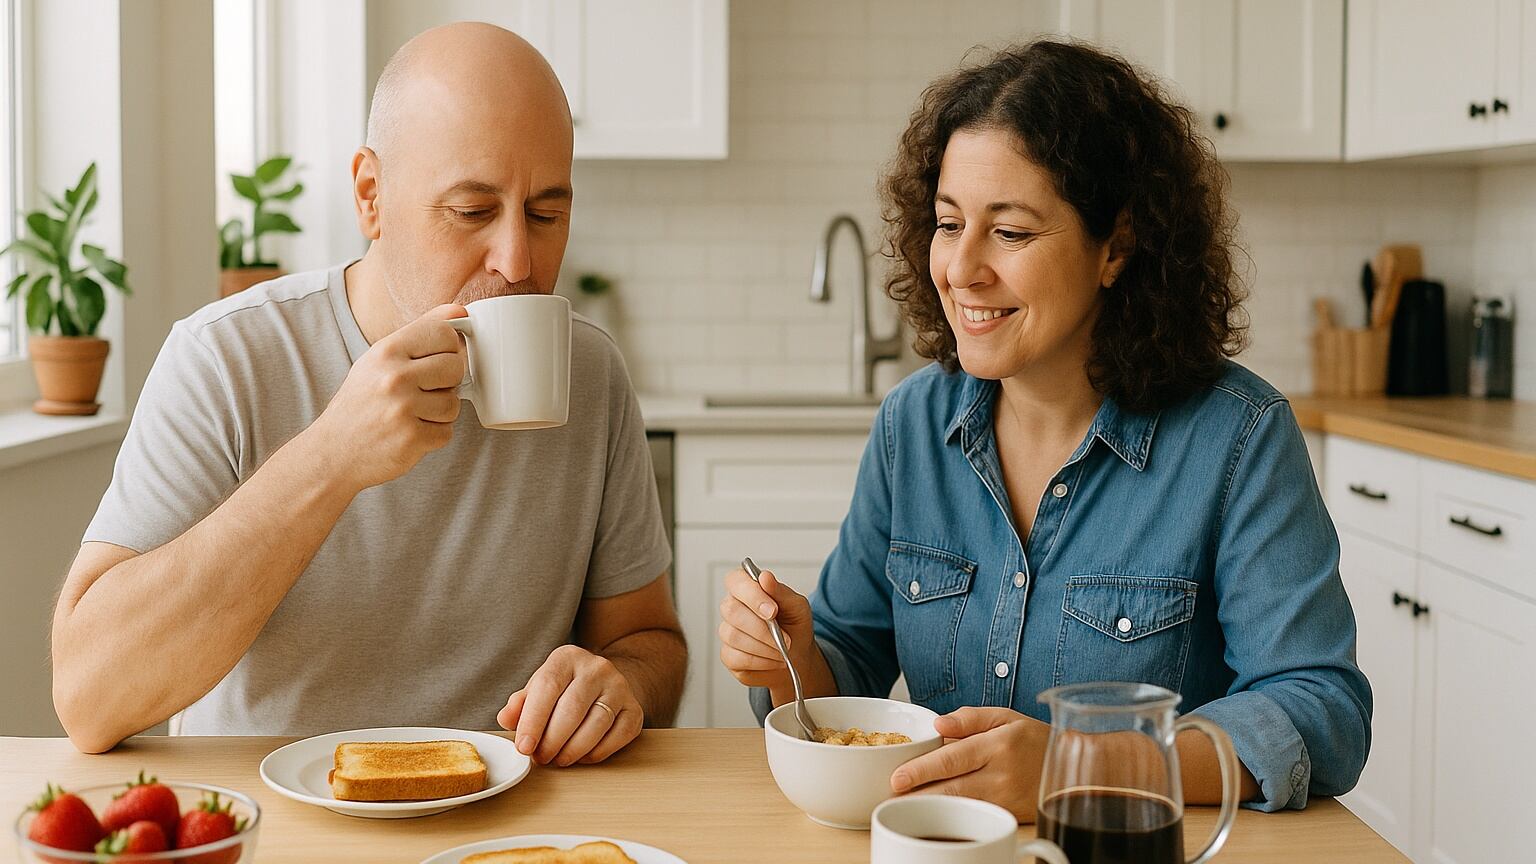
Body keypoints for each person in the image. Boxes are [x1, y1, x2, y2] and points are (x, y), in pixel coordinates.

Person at [718, 39, 1370, 819]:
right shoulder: (912, 424)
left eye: (1011, 233)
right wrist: (790, 656)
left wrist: (1078, 765)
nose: (962, 268)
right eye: (949, 223)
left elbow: (1322, 713)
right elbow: (848, 668)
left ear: (1116, 247)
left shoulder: (1238, 438)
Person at [51, 23, 685, 765]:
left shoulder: (592, 373)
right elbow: (89, 699)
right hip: (271, 813)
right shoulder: (225, 358)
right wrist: (330, 459)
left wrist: (621, 686)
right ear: (371, 196)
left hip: (516, 807)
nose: (518, 261)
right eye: (472, 211)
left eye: (546, 214)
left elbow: (650, 643)